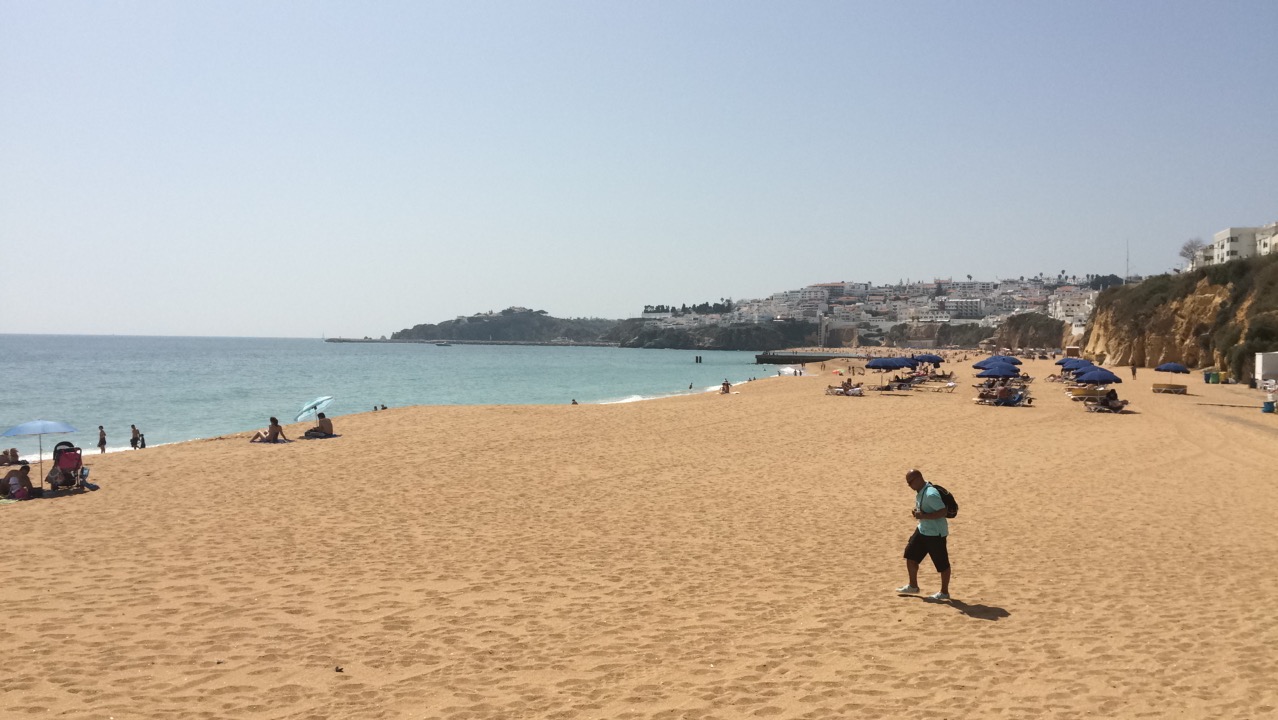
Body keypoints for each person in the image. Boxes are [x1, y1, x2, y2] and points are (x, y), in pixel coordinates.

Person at [897, 469, 951, 600]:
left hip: (935, 533)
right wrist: (918, 513)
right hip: (922, 530)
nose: (909, 485)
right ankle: (913, 586)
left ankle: (944, 592)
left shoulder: (930, 494)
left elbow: (943, 512)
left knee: (942, 564)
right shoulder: (921, 491)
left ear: (918, 479)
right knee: (910, 555)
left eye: (910, 482)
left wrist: (923, 516)